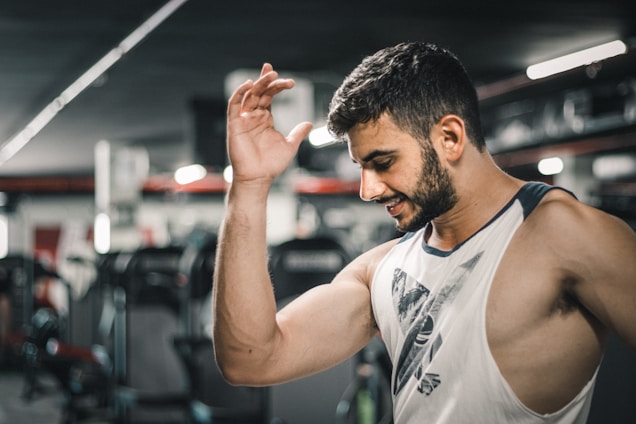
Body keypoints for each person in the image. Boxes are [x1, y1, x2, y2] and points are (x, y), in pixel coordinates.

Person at [212, 42, 636, 423]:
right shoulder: (384, 269)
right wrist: (249, 186)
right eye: (362, 167)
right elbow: (250, 360)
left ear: (450, 137)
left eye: (382, 162)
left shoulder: (566, 236)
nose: (368, 189)